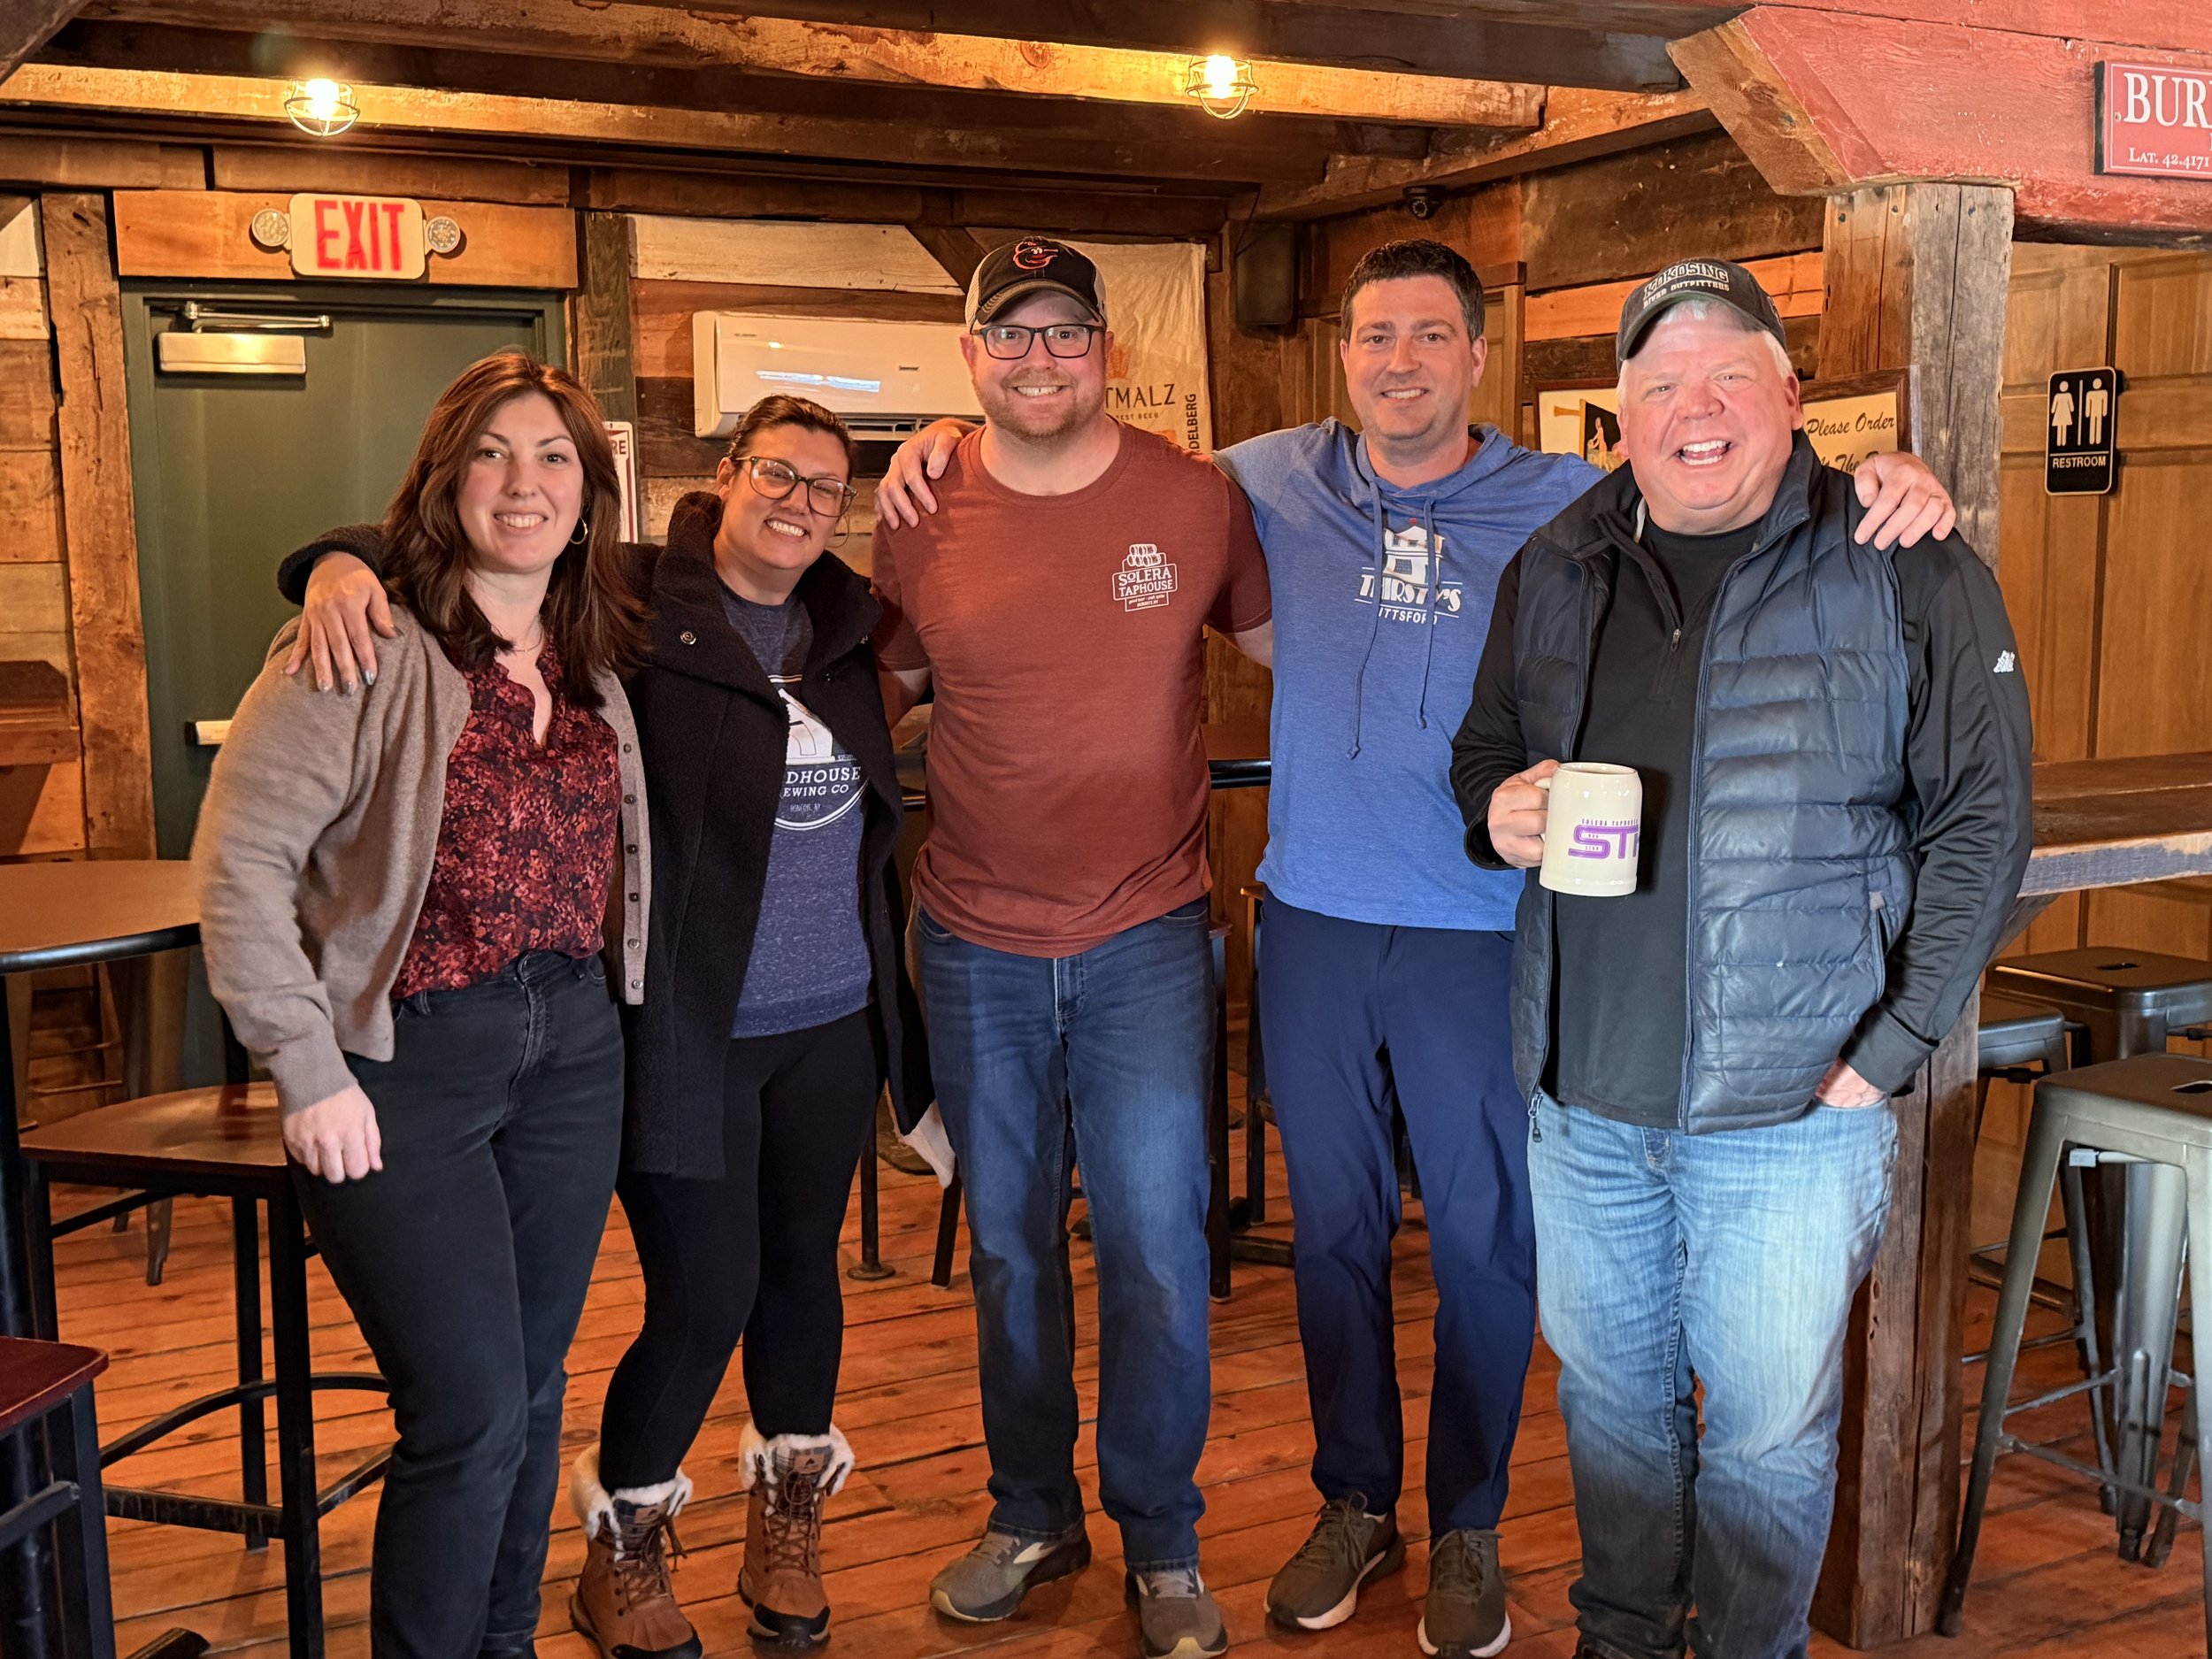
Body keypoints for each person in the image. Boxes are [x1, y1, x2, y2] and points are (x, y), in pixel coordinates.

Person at [876, 238, 1959, 1659]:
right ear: (1343, 356)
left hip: (1484, 928)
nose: (1400, 363)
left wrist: (1883, 479)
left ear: (1477, 354)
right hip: (1315, 919)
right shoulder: (1262, 479)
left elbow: (1727, 470)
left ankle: (1469, 1525)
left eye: (1431, 336)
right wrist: (938, 436)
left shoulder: (1572, 496)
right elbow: (1062, 439)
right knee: (1332, 1240)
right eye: (1375, 337)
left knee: (1484, 1241)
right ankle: (1354, 1504)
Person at [273, 394, 933, 1658]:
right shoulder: (629, 599)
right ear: (723, 475)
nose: (797, 504)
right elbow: (477, 537)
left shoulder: (849, 629)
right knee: (706, 1291)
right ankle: (624, 1532)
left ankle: (786, 1519)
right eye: (775, 474)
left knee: (805, 1273)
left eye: (823, 488)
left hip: (835, 1022)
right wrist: (334, 565)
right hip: (689, 1028)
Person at [1449, 258, 2032, 1659]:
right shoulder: (1557, 562)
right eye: (1661, 383)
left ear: (1791, 397)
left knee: (1768, 1435)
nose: (1693, 408)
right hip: (1585, 1099)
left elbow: (1986, 820)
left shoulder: (1904, 559)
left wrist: (1888, 1051)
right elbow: (1484, 750)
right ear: (1623, 411)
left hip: (1795, 1110)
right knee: (1609, 1408)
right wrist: (1495, 813)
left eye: (1727, 376)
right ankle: (1624, 1638)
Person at [195, 352, 650, 1659]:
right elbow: (239, 863)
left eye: (554, 456)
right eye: (491, 453)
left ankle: (502, 1643)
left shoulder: (596, 657)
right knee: (465, 1412)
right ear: (445, 480)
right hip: (407, 1062)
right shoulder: (362, 641)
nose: (524, 482)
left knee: (534, 1390)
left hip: (574, 1046)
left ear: (590, 490)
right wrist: (304, 1065)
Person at [867, 236, 1271, 1659]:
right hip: (973, 938)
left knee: (1158, 1246)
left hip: (1147, 938)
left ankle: (1162, 1537)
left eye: (1065, 333)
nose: (1039, 358)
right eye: (1011, 335)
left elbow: (1303, 649)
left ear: (1109, 350)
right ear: (970, 356)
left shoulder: (1196, 498)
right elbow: (882, 683)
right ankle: (1032, 1514)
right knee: (1007, 1248)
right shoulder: (919, 509)